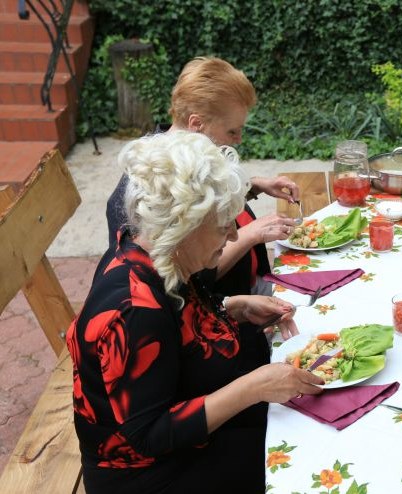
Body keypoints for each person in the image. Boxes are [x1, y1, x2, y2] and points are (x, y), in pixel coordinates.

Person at [68, 131, 322, 493]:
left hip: (186, 444)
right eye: (223, 226)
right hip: (151, 474)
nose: (234, 237)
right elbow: (148, 435)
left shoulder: (154, 254)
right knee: (303, 457)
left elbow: (176, 320)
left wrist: (232, 307)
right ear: (184, 228)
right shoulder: (134, 309)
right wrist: (254, 387)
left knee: (302, 417)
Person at [105, 56, 299, 299]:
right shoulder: (143, 192)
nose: (238, 140)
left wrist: (252, 186)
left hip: (247, 288)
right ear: (196, 124)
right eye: (232, 131)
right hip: (223, 307)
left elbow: (204, 207)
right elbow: (184, 283)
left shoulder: (190, 161)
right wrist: (251, 234)